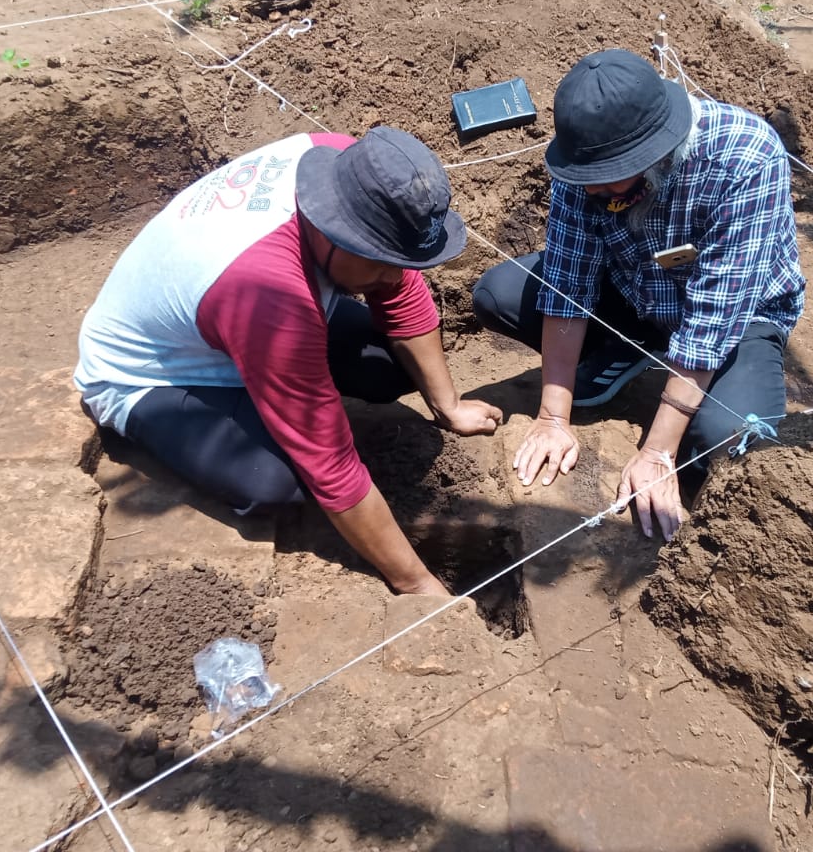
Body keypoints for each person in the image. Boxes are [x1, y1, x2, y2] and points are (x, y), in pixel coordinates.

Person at [75, 126, 503, 596]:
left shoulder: (349, 165)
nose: (393, 275)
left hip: (233, 323)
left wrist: (449, 407)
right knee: (277, 482)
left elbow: (402, 292)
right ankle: (215, 415)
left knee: (393, 365)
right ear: (333, 229)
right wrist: (417, 584)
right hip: (151, 374)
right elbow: (330, 464)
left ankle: (272, 392)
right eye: (380, 261)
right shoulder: (270, 295)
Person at [472, 48, 804, 542]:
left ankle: (684, 397)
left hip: (740, 318)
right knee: (496, 294)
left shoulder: (745, 159)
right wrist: (552, 417)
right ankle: (632, 343)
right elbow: (568, 282)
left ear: (654, 151)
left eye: (609, 181)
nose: (595, 191)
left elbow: (713, 322)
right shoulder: (586, 166)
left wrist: (657, 453)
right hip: (635, 291)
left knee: (729, 439)